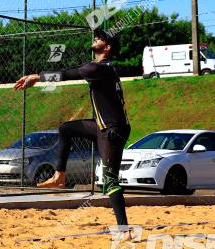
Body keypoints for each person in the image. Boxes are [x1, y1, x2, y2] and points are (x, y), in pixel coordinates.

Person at [13, 28, 131, 227]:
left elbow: (66, 74)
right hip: (101, 126)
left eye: (101, 38)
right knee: (66, 129)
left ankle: (124, 229)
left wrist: (35, 77)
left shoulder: (99, 68)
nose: (96, 38)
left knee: (110, 181)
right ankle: (60, 176)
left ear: (107, 48)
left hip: (112, 131)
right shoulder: (104, 67)